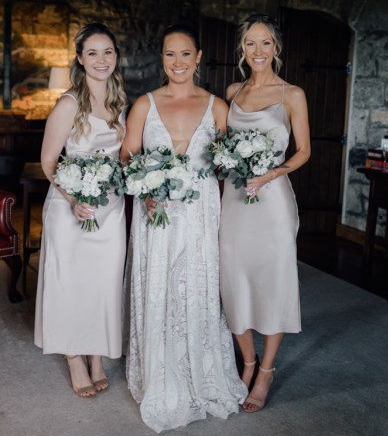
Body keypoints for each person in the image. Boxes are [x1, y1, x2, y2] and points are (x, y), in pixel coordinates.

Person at [121, 23, 247, 433]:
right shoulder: (144, 104)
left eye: (184, 54)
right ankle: (159, 373)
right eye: (169, 54)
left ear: (198, 57)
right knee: (159, 285)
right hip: (156, 213)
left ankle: (202, 371)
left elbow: (229, 165)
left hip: (200, 213)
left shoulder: (217, 107)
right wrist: (145, 190)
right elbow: (128, 158)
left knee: (197, 287)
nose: (177, 62)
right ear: (162, 59)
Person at [219, 13, 311, 413]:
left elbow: (304, 151)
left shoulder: (292, 93)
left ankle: (267, 371)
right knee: (233, 278)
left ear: (276, 48)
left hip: (272, 203)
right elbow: (220, 145)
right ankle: (248, 361)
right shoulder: (232, 90)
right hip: (235, 200)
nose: (258, 51)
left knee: (272, 282)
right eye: (250, 44)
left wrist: (271, 173)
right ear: (243, 49)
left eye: (265, 43)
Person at [34, 22, 128, 397]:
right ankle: (75, 356)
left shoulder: (122, 102)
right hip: (71, 206)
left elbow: (124, 157)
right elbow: (48, 162)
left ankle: (97, 355)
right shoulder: (69, 104)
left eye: (107, 52)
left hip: (111, 209)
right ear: (80, 58)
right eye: (92, 53)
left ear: (115, 56)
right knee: (70, 283)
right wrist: (74, 199)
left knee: (104, 284)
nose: (101, 60)